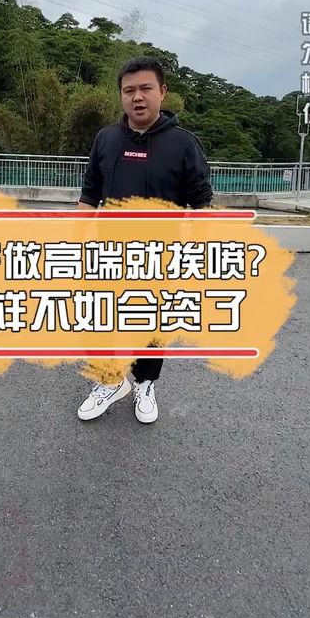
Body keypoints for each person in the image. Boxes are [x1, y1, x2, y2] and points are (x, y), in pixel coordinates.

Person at [76, 56, 213, 424]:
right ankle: (110, 381)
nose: (137, 97)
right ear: (121, 96)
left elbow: (201, 203)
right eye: (129, 90)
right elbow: (90, 194)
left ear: (162, 92)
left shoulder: (183, 143)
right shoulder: (106, 139)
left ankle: (145, 383)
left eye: (145, 88)